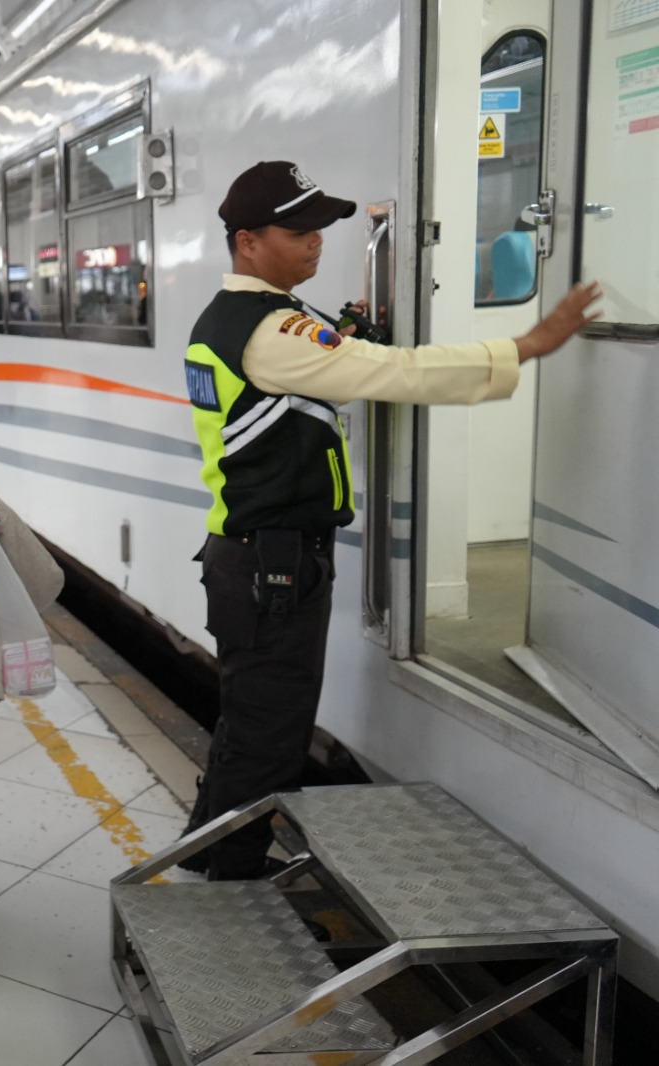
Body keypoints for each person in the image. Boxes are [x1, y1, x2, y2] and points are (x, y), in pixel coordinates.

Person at [180, 160, 602, 880]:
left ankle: (209, 851)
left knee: (252, 720)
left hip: (249, 556)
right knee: (269, 736)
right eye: (298, 230)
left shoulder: (236, 318)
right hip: (271, 566)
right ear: (248, 241)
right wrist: (523, 347)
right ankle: (232, 882)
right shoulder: (271, 331)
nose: (315, 241)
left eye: (318, 228)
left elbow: (319, 375)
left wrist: (343, 334)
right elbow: (397, 372)